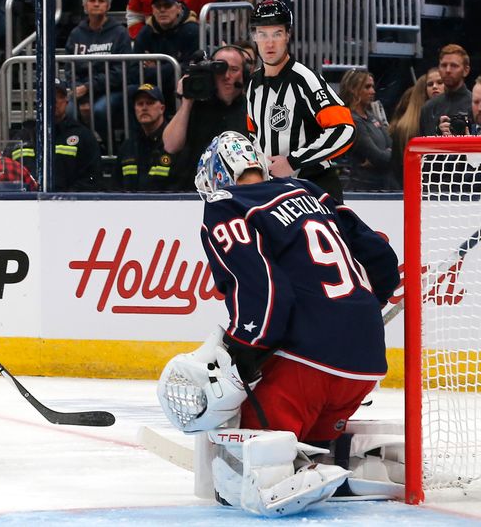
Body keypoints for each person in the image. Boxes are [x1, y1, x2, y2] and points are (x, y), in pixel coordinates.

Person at [157, 131, 401, 516]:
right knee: (313, 435)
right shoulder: (309, 191)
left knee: (247, 446)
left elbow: (263, 289)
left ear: (214, 176)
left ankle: (275, 471)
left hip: (307, 363)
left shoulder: (226, 204)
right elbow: (382, 259)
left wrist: (244, 349)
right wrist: (364, 311)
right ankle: (335, 458)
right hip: (366, 359)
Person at [246, 0, 355, 203]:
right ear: (254, 36)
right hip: (274, 194)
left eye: (277, 34)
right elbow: (255, 134)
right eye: (262, 34)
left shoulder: (305, 80)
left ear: (288, 35)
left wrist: (293, 161)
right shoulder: (253, 84)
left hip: (315, 190)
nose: (269, 43)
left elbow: (344, 129)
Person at [163, 44, 249, 190]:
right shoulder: (196, 105)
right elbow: (170, 146)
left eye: (234, 70)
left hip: (239, 192)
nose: (227, 76)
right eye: (220, 68)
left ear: (244, 75)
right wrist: (187, 102)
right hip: (193, 191)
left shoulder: (253, 109)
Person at [65, 0, 132, 146]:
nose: (96, 4)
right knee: (68, 112)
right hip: (81, 91)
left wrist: (88, 87)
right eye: (92, 1)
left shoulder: (120, 33)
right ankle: (81, 149)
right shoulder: (76, 34)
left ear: (108, 6)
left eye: (101, 1)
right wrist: (80, 93)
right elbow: (69, 69)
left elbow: (121, 72)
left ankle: (110, 147)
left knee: (99, 111)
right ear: (85, 6)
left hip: (111, 90)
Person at [11, 80, 102, 191]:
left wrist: (64, 199)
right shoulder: (23, 136)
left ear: (66, 102)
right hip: (27, 204)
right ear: (39, 102)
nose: (53, 101)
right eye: (48, 96)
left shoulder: (83, 136)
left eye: (59, 97)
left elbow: (92, 178)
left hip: (69, 205)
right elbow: (7, 173)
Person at [131, 0, 199, 113]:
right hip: (152, 87)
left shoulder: (192, 30)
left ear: (178, 8)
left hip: (181, 86)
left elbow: (190, 68)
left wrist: (156, 69)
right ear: (152, 10)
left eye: (167, 5)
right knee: (131, 91)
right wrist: (174, 65)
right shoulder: (146, 32)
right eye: (158, 6)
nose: (162, 10)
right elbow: (133, 71)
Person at [114, 83, 178, 191]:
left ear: (162, 109)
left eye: (150, 103)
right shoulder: (127, 147)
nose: (144, 108)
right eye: (140, 104)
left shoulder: (175, 144)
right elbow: (115, 187)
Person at [339, 69, 394, 191]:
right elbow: (379, 158)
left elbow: (392, 148)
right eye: (367, 87)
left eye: (372, 87)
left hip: (382, 185)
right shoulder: (351, 119)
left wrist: (386, 154)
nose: (373, 91)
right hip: (362, 189)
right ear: (353, 89)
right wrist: (386, 154)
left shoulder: (371, 116)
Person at [419, 44, 472, 137]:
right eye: (443, 65)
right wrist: (438, 132)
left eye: (454, 66)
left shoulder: (476, 105)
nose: (448, 70)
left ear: (466, 70)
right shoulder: (428, 108)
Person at [125, 0, 215, 39]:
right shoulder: (145, 34)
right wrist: (144, 39)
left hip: (188, 37)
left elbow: (206, 20)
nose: (162, 9)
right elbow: (134, 17)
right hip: (153, 39)